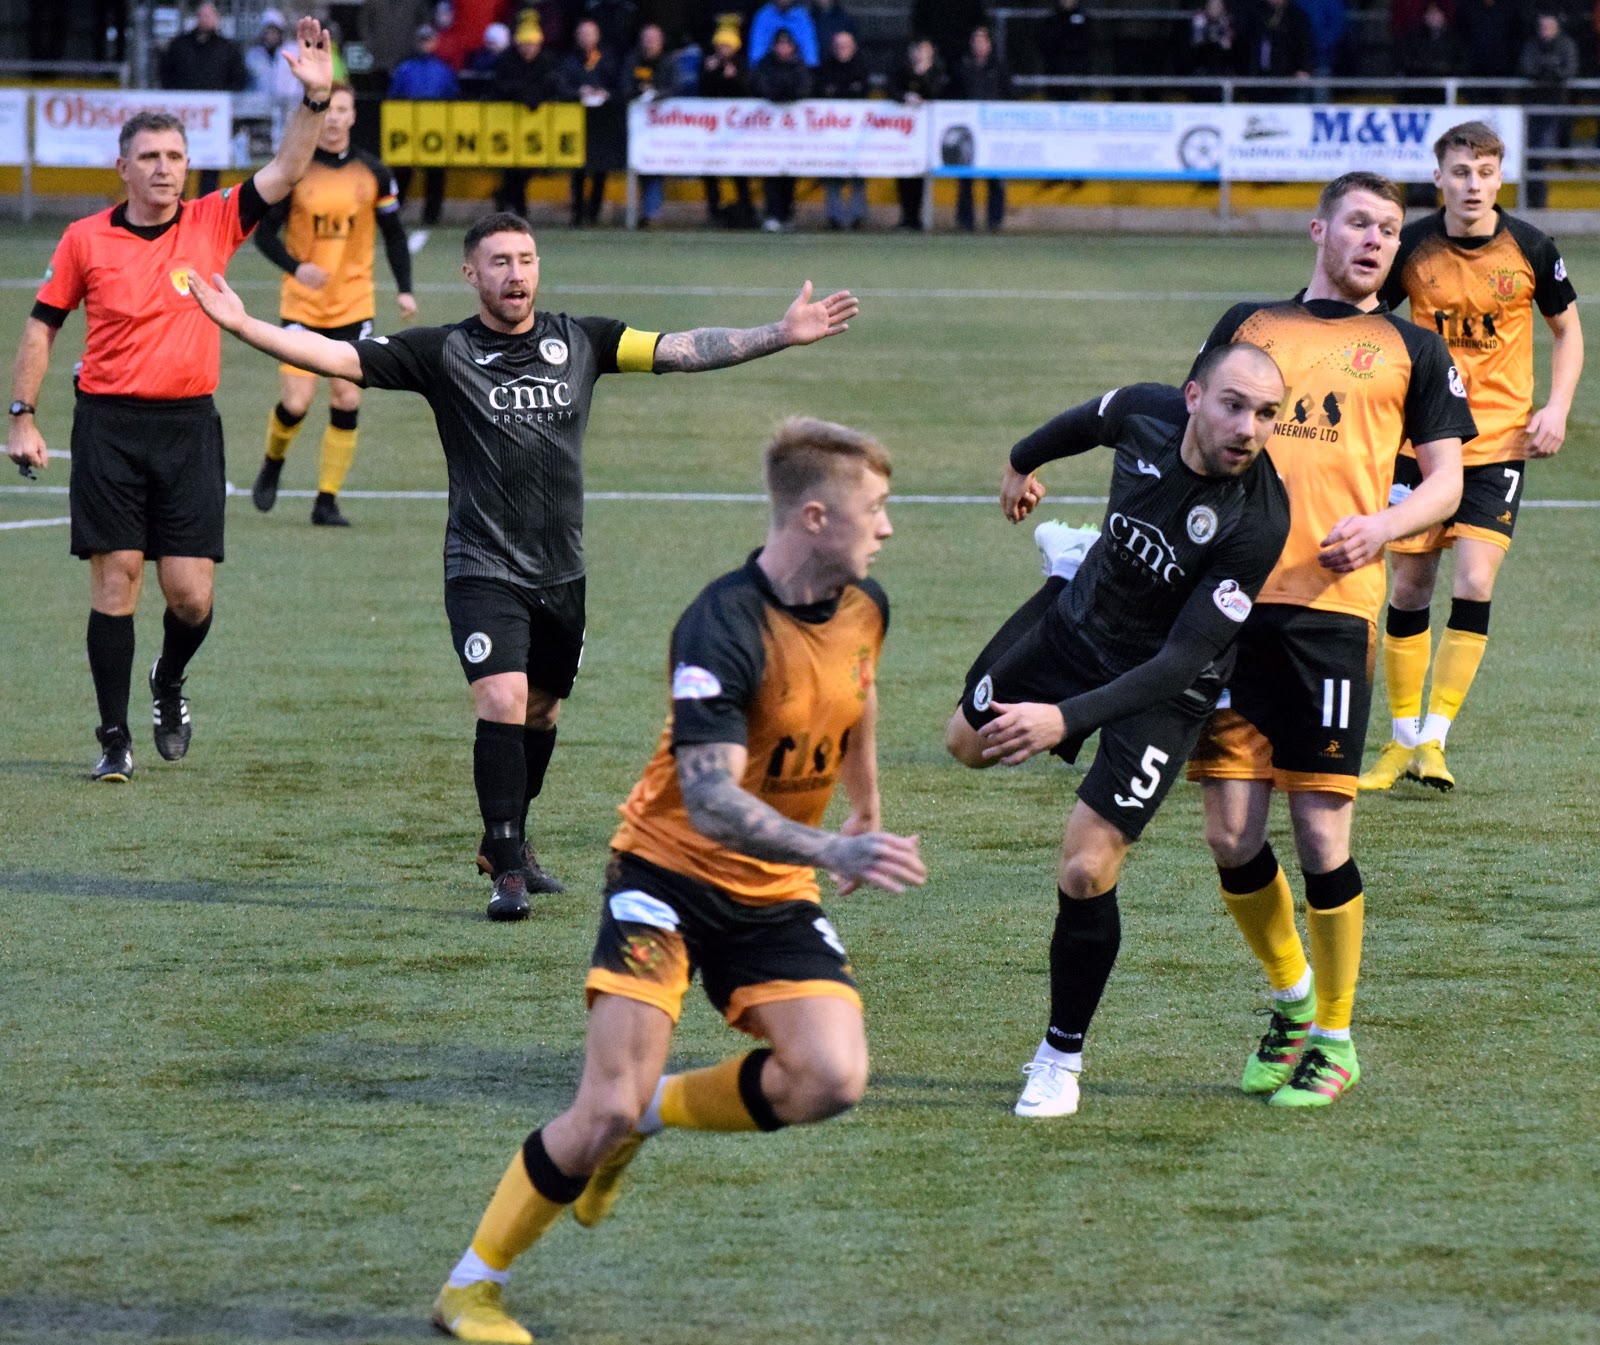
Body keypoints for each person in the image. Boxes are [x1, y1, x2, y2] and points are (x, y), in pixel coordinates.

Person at [185, 212, 861, 920]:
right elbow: (339, 359)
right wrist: (243, 326)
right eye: (500, 261)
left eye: (526, 259)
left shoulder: (583, 341)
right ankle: (506, 865)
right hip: (481, 565)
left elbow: (679, 349)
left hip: (561, 570)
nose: (516, 273)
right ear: (471, 274)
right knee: (502, 697)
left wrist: (779, 334)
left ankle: (508, 834)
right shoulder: (442, 351)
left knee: (541, 710)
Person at [427, 416, 925, 1345]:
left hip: (772, 883)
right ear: (816, 517)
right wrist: (835, 854)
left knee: (831, 1076)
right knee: (600, 1101)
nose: (888, 527)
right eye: (876, 509)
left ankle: (652, 1117)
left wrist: (865, 806)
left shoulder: (865, 604)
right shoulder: (722, 623)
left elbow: (859, 692)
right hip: (666, 870)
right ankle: (470, 1287)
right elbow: (711, 802)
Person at [1185, 172, 1475, 1107]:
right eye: (1359, 222)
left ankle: (1338, 1039)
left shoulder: (1412, 349)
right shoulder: (1251, 325)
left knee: (1318, 830)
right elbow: (1194, 433)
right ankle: (1293, 998)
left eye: (1391, 229)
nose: (1376, 240)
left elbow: (1446, 483)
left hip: (1330, 611)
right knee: (1232, 834)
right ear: (1320, 228)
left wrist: (1384, 530)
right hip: (1229, 605)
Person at [946, 345, 1291, 1119]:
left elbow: (1178, 661)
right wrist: (1019, 460)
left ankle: (1059, 1057)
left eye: (1268, 414)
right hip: (1081, 620)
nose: (1249, 428)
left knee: (1085, 869)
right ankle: (1069, 564)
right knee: (963, 742)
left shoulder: (1259, 518)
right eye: (1234, 405)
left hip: (1165, 690)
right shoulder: (1145, 411)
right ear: (1193, 396)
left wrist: (1064, 718)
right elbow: (1087, 421)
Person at [5, 19, 334, 782]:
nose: (164, 169)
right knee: (115, 572)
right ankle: (114, 735)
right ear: (121, 167)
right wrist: (23, 415)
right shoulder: (84, 240)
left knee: (189, 596)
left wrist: (314, 99)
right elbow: (41, 326)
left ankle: (169, 681)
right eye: (149, 158)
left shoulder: (214, 219)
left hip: (189, 425)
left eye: (175, 157)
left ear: (189, 165)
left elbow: (285, 171)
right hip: (110, 424)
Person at [1361, 122, 1582, 792]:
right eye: (1460, 172)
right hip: (1420, 444)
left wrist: (1559, 405)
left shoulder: (1533, 249)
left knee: (1476, 582)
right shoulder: (1413, 247)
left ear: (1499, 177)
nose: (1473, 184)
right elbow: (1367, 315)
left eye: (1484, 173)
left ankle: (1435, 738)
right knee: (1408, 586)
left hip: (1498, 441)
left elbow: (1568, 332)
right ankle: (1399, 741)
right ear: (1439, 178)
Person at [249, 83, 418, 529]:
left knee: (346, 398)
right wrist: (295, 266)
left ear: (353, 115)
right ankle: (273, 461)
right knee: (297, 402)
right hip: (303, 305)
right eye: (329, 111)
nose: (336, 118)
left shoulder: (374, 172)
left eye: (344, 110)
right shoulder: (294, 171)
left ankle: (327, 500)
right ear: (319, 116)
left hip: (354, 302)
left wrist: (405, 289)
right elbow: (264, 234)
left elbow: (395, 234)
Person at [159, 2, 249, 197]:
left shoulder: (228, 48)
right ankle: (176, 205)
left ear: (217, 18)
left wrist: (224, 101)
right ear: (196, 17)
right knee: (179, 161)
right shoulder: (180, 45)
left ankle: (204, 208)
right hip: (182, 117)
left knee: (210, 168)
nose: (206, 19)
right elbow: (165, 74)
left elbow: (239, 78)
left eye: (210, 15)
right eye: (202, 15)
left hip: (214, 122)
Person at [388, 24, 461, 239]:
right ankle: (394, 211)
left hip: (435, 129)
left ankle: (432, 214)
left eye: (428, 40)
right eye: (422, 40)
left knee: (435, 172)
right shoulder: (406, 69)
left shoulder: (443, 70)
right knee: (402, 171)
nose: (425, 44)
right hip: (408, 129)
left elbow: (453, 97)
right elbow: (394, 98)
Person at [490, 12, 559, 218]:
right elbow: (500, 87)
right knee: (512, 168)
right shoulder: (507, 62)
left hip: (536, 127)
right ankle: (518, 208)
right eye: (524, 44)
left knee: (530, 167)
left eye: (532, 44)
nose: (528, 49)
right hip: (508, 125)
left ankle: (505, 198)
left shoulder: (546, 62)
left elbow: (553, 86)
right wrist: (524, 95)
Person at [560, 18, 624, 226]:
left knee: (600, 168)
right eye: (583, 34)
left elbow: (618, 86)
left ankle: (594, 212)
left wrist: (605, 93)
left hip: (603, 122)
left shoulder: (607, 59)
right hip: (576, 121)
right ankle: (577, 213)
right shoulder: (570, 60)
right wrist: (578, 92)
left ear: (597, 37)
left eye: (590, 34)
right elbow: (561, 86)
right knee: (577, 169)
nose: (586, 38)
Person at [698, 20, 757, 228]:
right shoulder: (708, 64)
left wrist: (735, 79)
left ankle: (746, 211)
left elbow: (747, 92)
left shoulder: (741, 66)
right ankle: (714, 211)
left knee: (739, 172)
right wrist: (709, 73)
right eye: (720, 45)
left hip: (736, 133)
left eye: (727, 45)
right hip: (712, 131)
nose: (723, 50)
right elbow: (703, 92)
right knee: (710, 171)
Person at [750, 27, 811, 231]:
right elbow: (762, 87)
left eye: (786, 44)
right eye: (780, 44)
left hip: (793, 132)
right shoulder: (764, 64)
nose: (783, 48)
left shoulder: (799, 65)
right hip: (768, 131)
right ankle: (772, 213)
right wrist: (782, 92)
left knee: (790, 172)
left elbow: (803, 88)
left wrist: (784, 91)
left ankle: (786, 214)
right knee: (771, 171)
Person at [955, 26, 1012, 232]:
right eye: (975, 40)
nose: (979, 45)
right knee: (965, 177)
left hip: (993, 131)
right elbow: (956, 94)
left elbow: (1009, 94)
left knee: (995, 177)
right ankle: (965, 221)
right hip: (969, 130)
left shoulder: (999, 67)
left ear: (989, 43)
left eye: (983, 40)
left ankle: (995, 221)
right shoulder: (964, 66)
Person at [626, 23, 684, 227]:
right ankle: (644, 212)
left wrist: (657, 95)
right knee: (641, 167)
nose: (649, 44)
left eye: (653, 40)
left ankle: (651, 213)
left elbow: (676, 88)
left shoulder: (668, 63)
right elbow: (625, 85)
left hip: (663, 128)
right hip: (638, 126)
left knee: (655, 166)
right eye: (646, 39)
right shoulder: (633, 61)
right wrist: (638, 92)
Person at [1519, 12, 1578, 209]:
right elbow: (1527, 69)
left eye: (1549, 27)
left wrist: (1546, 70)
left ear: (1557, 28)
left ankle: (1539, 199)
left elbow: (1568, 71)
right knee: (1533, 155)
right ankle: (1534, 200)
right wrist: (1550, 69)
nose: (1545, 31)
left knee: (1542, 151)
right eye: (1542, 27)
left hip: (1557, 106)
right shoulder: (1531, 44)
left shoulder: (1566, 45)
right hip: (1534, 107)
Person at [890, 38, 946, 231]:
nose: (918, 53)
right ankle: (907, 217)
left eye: (923, 49)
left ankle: (920, 218)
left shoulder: (937, 71)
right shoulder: (903, 70)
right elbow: (891, 89)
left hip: (929, 134)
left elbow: (937, 93)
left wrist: (922, 75)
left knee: (922, 176)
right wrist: (905, 97)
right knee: (904, 173)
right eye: (916, 49)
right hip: (905, 133)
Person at [816, 29, 869, 230]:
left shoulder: (862, 67)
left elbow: (861, 92)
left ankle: (856, 217)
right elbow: (822, 91)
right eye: (838, 46)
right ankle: (835, 217)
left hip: (858, 135)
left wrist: (837, 91)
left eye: (845, 46)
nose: (841, 50)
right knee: (832, 173)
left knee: (857, 173)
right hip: (830, 134)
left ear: (853, 47)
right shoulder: (826, 68)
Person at [1037, 0, 1095, 81]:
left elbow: (1089, 41)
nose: (1067, 1)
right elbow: (1045, 42)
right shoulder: (1051, 19)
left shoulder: (1085, 18)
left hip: (1079, 68)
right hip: (1055, 67)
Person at [749, 0, 819, 66]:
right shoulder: (763, 16)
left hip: (796, 70)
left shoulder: (802, 17)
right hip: (769, 70)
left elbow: (811, 56)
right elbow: (756, 56)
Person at [1191, 0, 1242, 75]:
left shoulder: (1228, 22)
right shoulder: (1200, 20)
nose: (1215, 8)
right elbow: (1197, 42)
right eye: (1212, 6)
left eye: (1218, 6)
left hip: (1223, 66)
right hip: (1202, 65)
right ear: (1207, 7)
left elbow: (1228, 46)